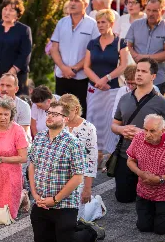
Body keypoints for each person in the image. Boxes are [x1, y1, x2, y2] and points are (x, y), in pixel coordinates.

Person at [29, 101, 101, 242]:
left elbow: (78, 177)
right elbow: (32, 165)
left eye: (55, 114)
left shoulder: (74, 143)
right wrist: (34, 193)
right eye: (49, 113)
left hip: (65, 204)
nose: (49, 116)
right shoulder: (39, 138)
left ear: (65, 119)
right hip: (41, 202)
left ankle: (90, 232)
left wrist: (55, 199)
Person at [112, 58, 165, 203]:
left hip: (152, 159)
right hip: (126, 156)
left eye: (144, 71)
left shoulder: (162, 102)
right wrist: (121, 129)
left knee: (149, 200)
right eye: (137, 71)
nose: (139, 74)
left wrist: (144, 134)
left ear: (153, 76)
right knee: (123, 198)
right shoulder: (124, 98)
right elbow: (114, 125)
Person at [127, 114, 165, 235]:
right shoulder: (139, 138)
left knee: (161, 228)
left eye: (152, 131)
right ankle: (157, 214)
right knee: (143, 227)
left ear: (162, 131)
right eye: (145, 129)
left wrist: (160, 179)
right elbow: (130, 161)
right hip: (144, 191)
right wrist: (140, 173)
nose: (147, 134)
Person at [84, 9, 128, 166]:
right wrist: (98, 82)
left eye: (103, 22)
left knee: (111, 122)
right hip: (95, 89)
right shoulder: (92, 42)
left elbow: (123, 65)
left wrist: (106, 79)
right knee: (93, 120)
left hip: (112, 89)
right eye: (98, 22)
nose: (100, 25)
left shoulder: (120, 42)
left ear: (111, 23)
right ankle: (94, 155)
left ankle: (110, 157)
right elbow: (86, 66)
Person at [50, 0, 100, 118]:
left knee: (79, 114)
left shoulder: (93, 25)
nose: (72, 3)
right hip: (62, 76)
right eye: (71, 0)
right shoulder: (62, 22)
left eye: (77, 1)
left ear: (86, 5)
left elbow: (93, 51)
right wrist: (64, 68)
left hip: (81, 77)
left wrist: (75, 68)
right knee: (61, 113)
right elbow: (54, 49)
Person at [126, 0, 165, 95]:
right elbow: (127, 45)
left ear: (162, 12)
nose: (150, 14)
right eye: (148, 10)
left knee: (155, 109)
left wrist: (143, 58)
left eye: (155, 11)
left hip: (157, 80)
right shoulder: (135, 25)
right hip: (136, 79)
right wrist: (135, 57)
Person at [0, 0, 32, 96]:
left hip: (16, 79)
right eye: (5, 9)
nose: (7, 12)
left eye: (11, 10)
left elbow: (25, 55)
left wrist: (8, 76)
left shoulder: (24, 30)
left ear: (17, 15)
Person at [59, 94, 99, 218]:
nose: (63, 116)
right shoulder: (59, 124)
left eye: (66, 112)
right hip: (60, 176)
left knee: (77, 220)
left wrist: (87, 188)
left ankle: (96, 204)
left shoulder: (89, 128)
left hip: (79, 177)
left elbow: (91, 159)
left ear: (76, 109)